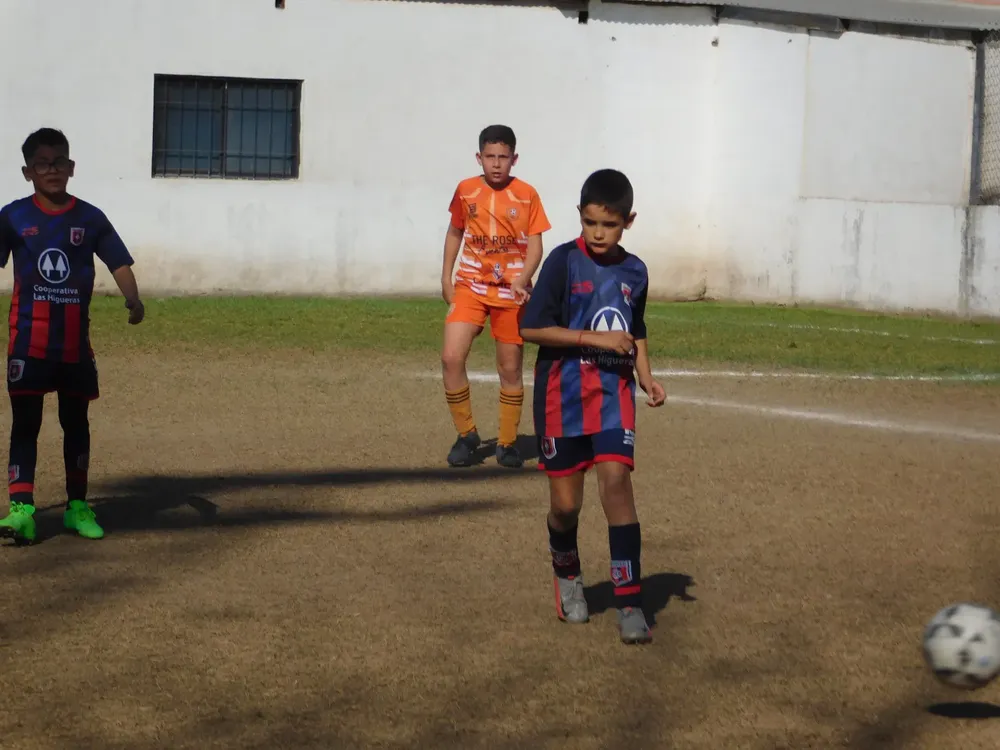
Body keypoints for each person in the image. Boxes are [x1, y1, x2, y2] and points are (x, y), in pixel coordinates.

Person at [519, 168, 666, 645]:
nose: (598, 234)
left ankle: (629, 600)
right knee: (565, 507)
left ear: (629, 221)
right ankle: (567, 574)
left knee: (616, 483)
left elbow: (635, 328)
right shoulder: (562, 263)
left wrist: (645, 377)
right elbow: (530, 327)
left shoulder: (636, 271)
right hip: (561, 398)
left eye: (610, 225)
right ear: (579, 219)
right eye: (589, 224)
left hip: (612, 397)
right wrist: (589, 337)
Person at [0, 127, 145, 545]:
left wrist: (133, 299)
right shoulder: (12, 216)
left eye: (60, 162)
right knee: (25, 426)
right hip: (27, 343)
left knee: (75, 423)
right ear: (28, 172)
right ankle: (22, 511)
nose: (53, 170)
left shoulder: (90, 217)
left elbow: (118, 262)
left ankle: (77, 506)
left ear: (72, 167)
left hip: (73, 348)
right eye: (43, 163)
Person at [440, 124, 551, 469]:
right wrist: (446, 275)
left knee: (509, 367)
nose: (497, 163)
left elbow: (536, 244)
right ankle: (467, 434)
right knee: (450, 357)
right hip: (470, 285)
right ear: (479, 157)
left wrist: (523, 277)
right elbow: (455, 231)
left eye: (504, 157)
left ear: (514, 159)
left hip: (510, 293)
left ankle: (507, 442)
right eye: (490, 156)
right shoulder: (465, 190)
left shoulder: (527, 194)